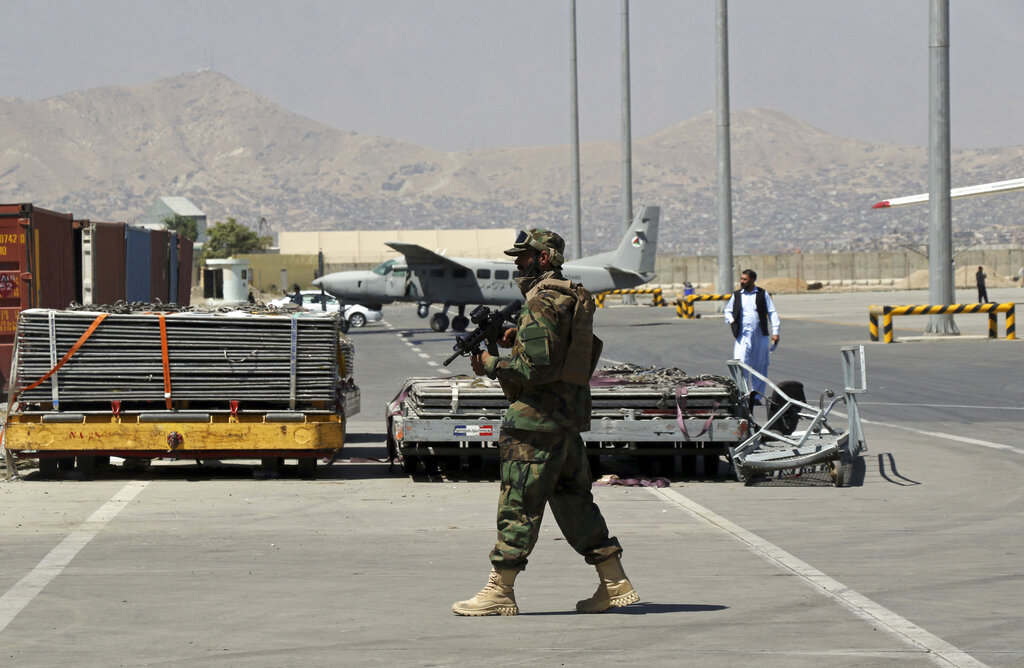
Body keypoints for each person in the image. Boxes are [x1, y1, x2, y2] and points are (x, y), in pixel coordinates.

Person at [452, 228, 637, 617]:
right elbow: (562, 352)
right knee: (574, 503)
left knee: (518, 504)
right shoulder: (571, 296)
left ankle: (500, 590)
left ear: (543, 258)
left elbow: (534, 368)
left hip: (534, 424)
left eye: (523, 257)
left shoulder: (541, 302)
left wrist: (492, 365)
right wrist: (515, 336)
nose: (517, 264)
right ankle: (615, 584)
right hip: (566, 419)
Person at [724, 269, 780, 405]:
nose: (742, 282)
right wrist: (731, 321)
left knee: (760, 365)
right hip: (743, 336)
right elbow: (727, 310)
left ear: (752, 280)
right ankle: (742, 394)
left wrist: (776, 331)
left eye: (745, 279)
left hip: (760, 336)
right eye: (741, 279)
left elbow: (772, 312)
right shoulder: (737, 295)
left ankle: (756, 397)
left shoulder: (762, 294)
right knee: (741, 364)